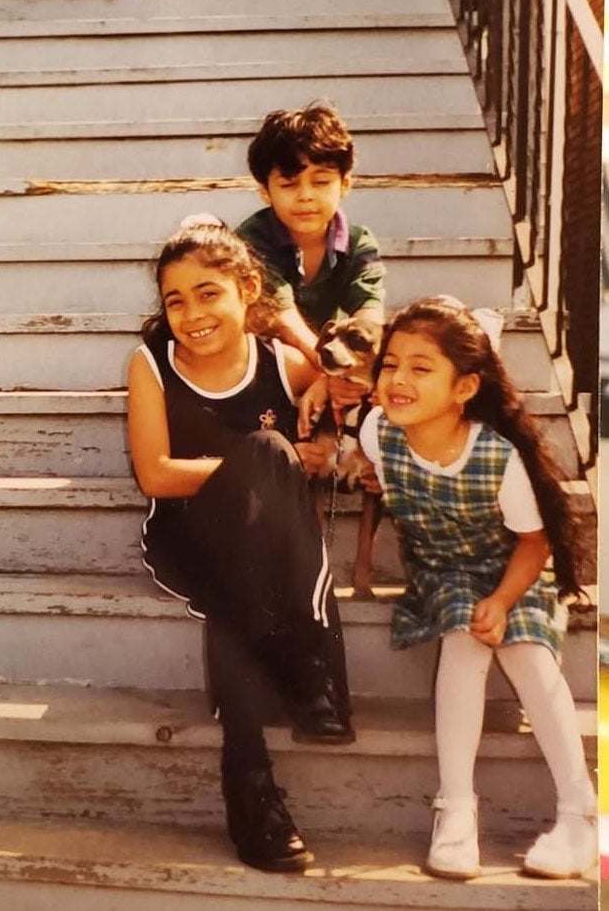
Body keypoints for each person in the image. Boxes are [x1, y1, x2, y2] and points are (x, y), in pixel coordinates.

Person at [127, 217, 354, 875]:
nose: (192, 313)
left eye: (208, 293)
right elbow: (157, 474)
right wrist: (261, 463)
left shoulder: (280, 361)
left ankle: (248, 783)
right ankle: (315, 673)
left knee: (239, 587)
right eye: (176, 300)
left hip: (265, 559)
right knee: (264, 450)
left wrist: (322, 421)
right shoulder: (152, 365)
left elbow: (346, 400)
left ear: (246, 288)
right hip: (185, 538)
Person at [357, 298, 595, 881]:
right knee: (464, 635)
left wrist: (505, 600)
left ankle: (580, 813)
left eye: (421, 367)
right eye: (390, 364)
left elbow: (534, 543)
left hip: (515, 571)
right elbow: (373, 476)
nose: (398, 379)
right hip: (441, 572)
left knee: (527, 653)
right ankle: (456, 809)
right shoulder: (375, 432)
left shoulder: (496, 455)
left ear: (464, 388)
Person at [235, 103, 385, 373]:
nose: (306, 196)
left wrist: (357, 372)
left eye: (321, 182)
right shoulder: (251, 240)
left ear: (345, 184)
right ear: (265, 192)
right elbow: (283, 320)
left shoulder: (358, 243)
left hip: (326, 359)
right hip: (260, 365)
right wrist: (326, 371)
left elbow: (369, 318)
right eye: (289, 184)